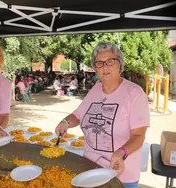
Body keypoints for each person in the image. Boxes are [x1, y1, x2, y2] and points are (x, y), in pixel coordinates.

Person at [55, 42, 150, 188]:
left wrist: (121, 152)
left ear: (120, 64)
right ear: (95, 68)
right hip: (90, 169)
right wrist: (65, 122)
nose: (105, 67)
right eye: (99, 63)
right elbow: (78, 115)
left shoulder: (135, 93)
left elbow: (138, 136)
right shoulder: (95, 89)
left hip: (120, 175)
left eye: (110, 61)